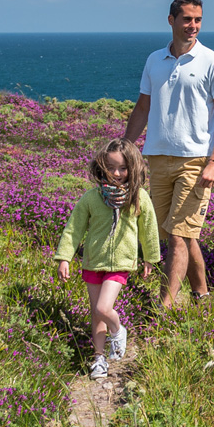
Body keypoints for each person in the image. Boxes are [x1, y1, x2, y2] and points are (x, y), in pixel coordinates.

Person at [122, 0, 214, 309]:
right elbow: (143, 107)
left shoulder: (213, 62)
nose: (193, 26)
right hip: (157, 158)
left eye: (198, 20)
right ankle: (202, 294)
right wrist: (124, 147)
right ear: (171, 20)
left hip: (196, 162)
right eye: (187, 19)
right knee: (178, 235)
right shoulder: (154, 60)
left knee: (177, 235)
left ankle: (165, 308)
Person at [53, 139, 161, 379]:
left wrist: (150, 259)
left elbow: (149, 229)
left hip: (121, 264)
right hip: (93, 261)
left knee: (104, 308)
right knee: (96, 312)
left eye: (123, 168)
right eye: (111, 167)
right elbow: (74, 228)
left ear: (132, 169)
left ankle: (117, 329)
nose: (116, 173)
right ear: (102, 167)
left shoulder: (139, 197)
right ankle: (99, 359)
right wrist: (64, 258)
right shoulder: (92, 197)